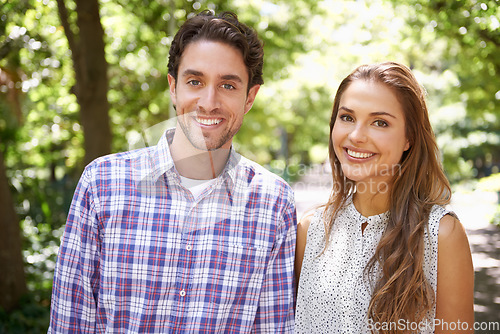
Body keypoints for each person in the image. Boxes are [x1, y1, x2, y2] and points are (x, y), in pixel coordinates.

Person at [49, 11, 296, 333]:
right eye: (195, 81)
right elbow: (71, 322)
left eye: (228, 85)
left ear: (250, 97)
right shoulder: (102, 184)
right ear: (173, 87)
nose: (209, 102)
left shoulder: (274, 203)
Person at [295, 62, 474, 333]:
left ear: (408, 138)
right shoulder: (311, 228)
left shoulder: (442, 235)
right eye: (347, 118)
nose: (356, 136)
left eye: (380, 122)